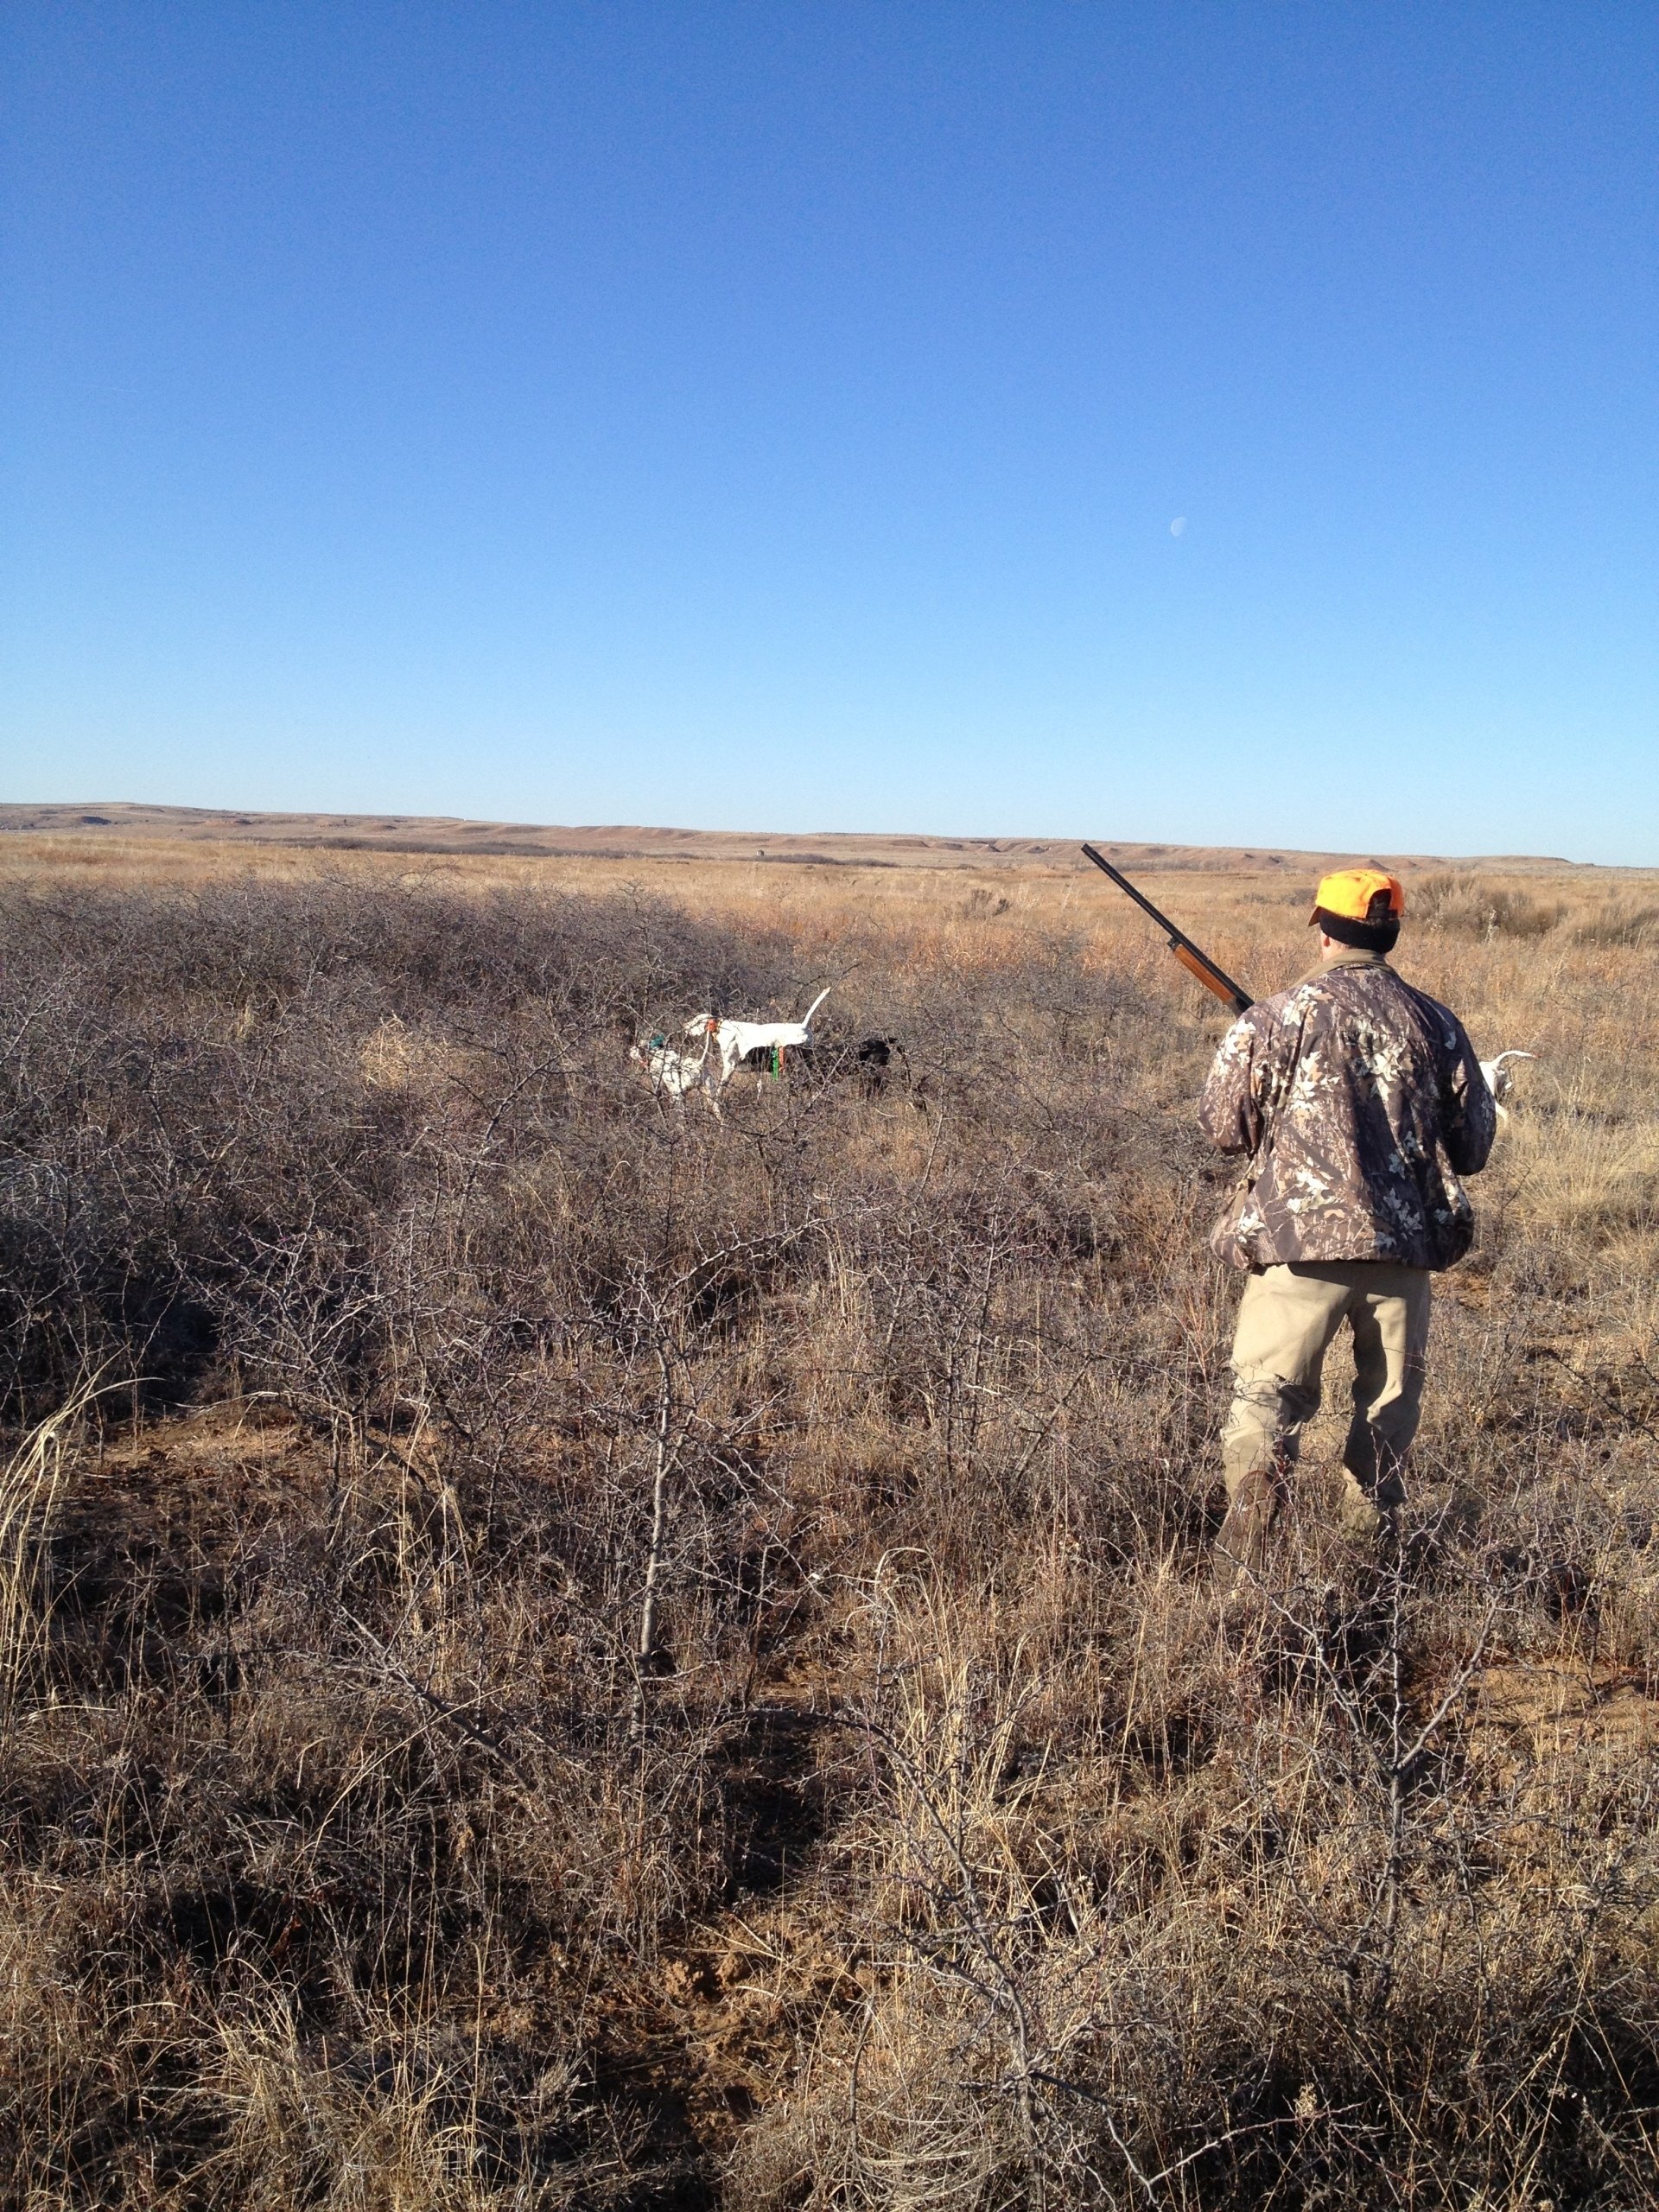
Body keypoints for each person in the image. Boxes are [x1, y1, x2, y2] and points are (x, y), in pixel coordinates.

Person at [1199, 868, 1497, 1591]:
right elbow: (1473, 1147)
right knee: (1388, 1410)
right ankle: (1370, 1564)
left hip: (1297, 1249)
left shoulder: (1275, 1018)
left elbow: (1224, 1129)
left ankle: (1248, 1563)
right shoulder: (1438, 1023)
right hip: (1404, 1253)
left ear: (1325, 932)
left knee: (1268, 1399)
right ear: (1390, 933)